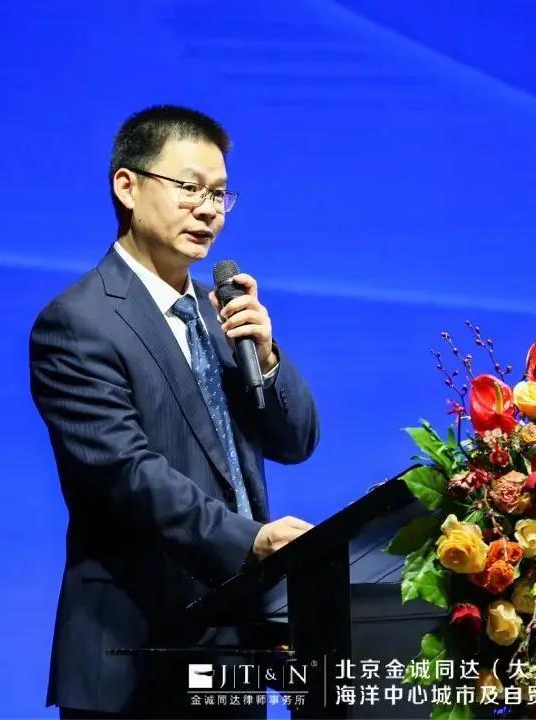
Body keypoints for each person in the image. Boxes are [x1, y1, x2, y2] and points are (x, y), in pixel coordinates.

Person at [29, 105, 320, 718]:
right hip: (134, 652)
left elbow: (295, 442)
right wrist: (251, 541)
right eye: (190, 187)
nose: (208, 209)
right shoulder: (78, 323)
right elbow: (127, 474)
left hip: (232, 647)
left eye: (219, 194)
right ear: (127, 186)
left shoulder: (222, 315)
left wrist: (267, 357)